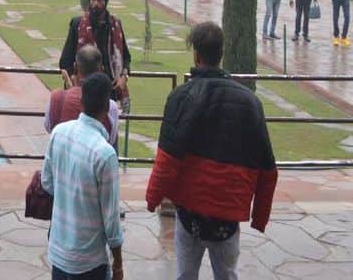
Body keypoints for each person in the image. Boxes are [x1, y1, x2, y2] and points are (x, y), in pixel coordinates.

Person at [147, 21, 278, 280]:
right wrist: (259, 217)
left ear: (196, 54)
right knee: (227, 275)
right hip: (226, 221)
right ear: (221, 53)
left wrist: (153, 198)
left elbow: (167, 160)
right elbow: (267, 168)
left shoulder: (181, 97)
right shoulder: (250, 102)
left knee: (185, 275)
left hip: (190, 218)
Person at [41, 72, 124, 280]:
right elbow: (111, 219)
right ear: (107, 108)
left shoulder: (58, 133)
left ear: (81, 101)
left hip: (59, 253)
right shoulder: (104, 154)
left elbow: (47, 183)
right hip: (89, 262)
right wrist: (119, 264)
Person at [58, 0, 131, 112]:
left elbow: (126, 58)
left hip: (109, 93)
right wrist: (73, 80)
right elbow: (65, 61)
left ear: (106, 1)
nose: (95, 4)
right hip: (83, 93)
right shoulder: (78, 25)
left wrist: (123, 77)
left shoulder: (115, 25)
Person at [44, 44, 119, 147]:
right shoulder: (110, 106)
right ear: (101, 69)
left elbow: (49, 127)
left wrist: (70, 92)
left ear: (75, 66)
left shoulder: (57, 97)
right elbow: (110, 139)